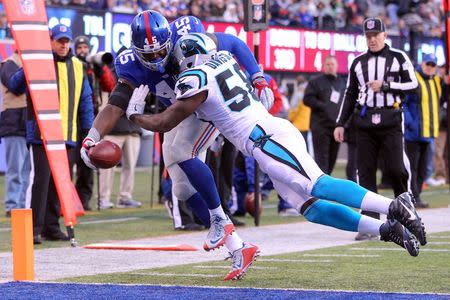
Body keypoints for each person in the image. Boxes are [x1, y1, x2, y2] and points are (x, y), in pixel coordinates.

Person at [127, 33, 427, 260]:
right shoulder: (224, 61)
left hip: (264, 139)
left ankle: (394, 206)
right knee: (310, 208)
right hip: (268, 134)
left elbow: (165, 122)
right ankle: (386, 229)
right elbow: (231, 49)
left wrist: (135, 113)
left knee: (318, 186)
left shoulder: (195, 78)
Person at [80, 12, 271, 280]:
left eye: (160, 52)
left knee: (182, 152)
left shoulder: (187, 31)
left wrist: (258, 76)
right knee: (181, 190)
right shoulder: (129, 63)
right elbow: (115, 104)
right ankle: (238, 248)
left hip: (208, 105)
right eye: (148, 56)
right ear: (136, 51)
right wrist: (92, 137)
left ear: (169, 40)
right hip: (180, 114)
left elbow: (233, 43)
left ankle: (217, 218)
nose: (156, 59)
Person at [9, 24, 94, 244]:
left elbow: (85, 100)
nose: (64, 45)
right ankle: (33, 228)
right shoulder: (39, 62)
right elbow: (15, 85)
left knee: (59, 183)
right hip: (41, 134)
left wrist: (88, 131)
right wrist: (28, 64)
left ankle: (50, 226)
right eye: (59, 41)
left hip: (67, 135)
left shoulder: (78, 66)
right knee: (40, 181)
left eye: (66, 41)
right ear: (51, 42)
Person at [334, 18, 417, 240]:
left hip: (391, 117)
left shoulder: (399, 57)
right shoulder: (358, 63)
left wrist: (387, 85)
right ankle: (371, 224)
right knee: (365, 171)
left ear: (384, 35)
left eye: (375, 35)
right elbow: (350, 94)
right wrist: (341, 123)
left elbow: (413, 85)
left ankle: (407, 218)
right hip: (365, 120)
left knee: (397, 169)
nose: (371, 40)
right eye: (368, 36)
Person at [73, 35, 116, 210]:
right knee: (72, 160)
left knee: (88, 162)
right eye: (79, 48)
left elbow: (110, 86)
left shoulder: (94, 67)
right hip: (73, 118)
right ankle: (68, 200)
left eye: (85, 47)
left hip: (92, 120)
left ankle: (84, 199)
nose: (83, 51)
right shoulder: (72, 65)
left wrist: (101, 69)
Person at [403, 53, 442, 208]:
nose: (430, 67)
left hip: (429, 133)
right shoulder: (414, 80)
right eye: (428, 64)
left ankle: (416, 195)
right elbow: (404, 103)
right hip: (414, 133)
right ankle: (413, 197)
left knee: (424, 169)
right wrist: (410, 122)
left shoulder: (436, 81)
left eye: (433, 65)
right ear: (422, 64)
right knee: (412, 167)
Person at [0, 52, 31, 217]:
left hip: (28, 122)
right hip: (14, 121)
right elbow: (14, 86)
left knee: (26, 169)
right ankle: (12, 205)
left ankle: (23, 204)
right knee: (16, 168)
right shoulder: (9, 63)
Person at [304, 55, 346, 174]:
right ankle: (321, 186)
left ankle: (326, 182)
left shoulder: (342, 83)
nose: (330, 66)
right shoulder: (315, 82)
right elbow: (307, 99)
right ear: (323, 66)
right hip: (320, 127)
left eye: (332, 64)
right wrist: (324, 105)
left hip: (336, 127)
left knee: (332, 159)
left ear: (337, 66)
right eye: (328, 64)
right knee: (321, 160)